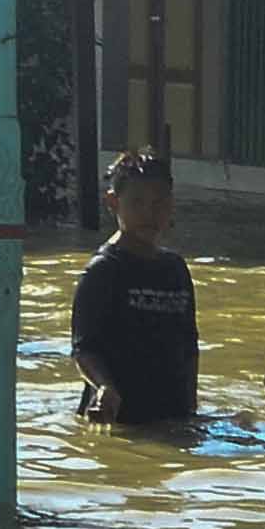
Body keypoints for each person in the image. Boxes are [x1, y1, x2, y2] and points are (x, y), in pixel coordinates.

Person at [70, 149, 200, 425]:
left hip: (171, 417)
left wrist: (191, 410)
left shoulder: (175, 269)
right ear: (113, 203)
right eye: (137, 203)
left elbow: (189, 347)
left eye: (159, 204)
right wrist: (104, 387)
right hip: (120, 419)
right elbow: (84, 350)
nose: (149, 214)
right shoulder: (102, 271)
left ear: (171, 205)